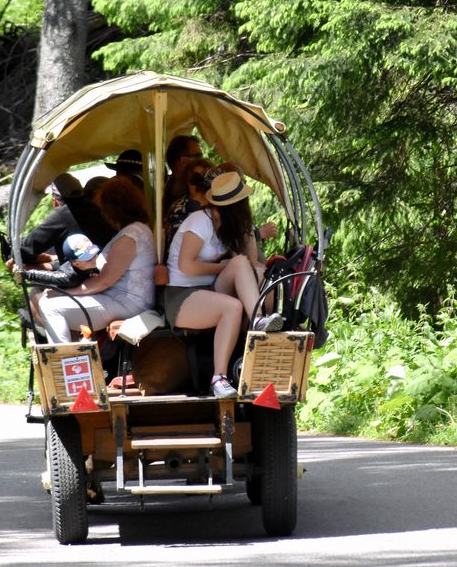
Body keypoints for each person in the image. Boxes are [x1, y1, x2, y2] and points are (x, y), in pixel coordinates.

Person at [163, 170, 283, 399]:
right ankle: (219, 377)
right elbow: (186, 266)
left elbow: (248, 261)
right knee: (232, 306)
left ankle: (257, 320)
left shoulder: (229, 225)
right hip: (183, 293)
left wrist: (246, 230)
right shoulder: (201, 221)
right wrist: (222, 266)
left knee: (250, 267)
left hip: (210, 289)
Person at [37, 177, 156, 343]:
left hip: (126, 303)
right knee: (50, 299)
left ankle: (66, 363)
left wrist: (65, 292)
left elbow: (104, 282)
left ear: (111, 209)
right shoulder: (138, 229)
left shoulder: (130, 236)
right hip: (124, 299)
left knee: (50, 306)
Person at [19, 173, 116, 265]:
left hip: (84, 275)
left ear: (55, 202)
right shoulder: (98, 207)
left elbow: (23, 252)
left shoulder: (63, 214)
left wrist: (46, 258)